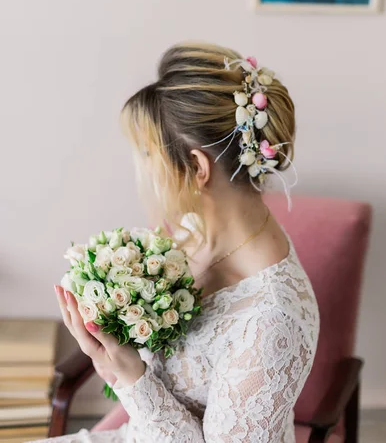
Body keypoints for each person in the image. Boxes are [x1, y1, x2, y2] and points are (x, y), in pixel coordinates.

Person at [47, 42, 319, 443]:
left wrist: (128, 375)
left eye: (146, 153)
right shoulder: (195, 230)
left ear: (196, 167)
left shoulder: (271, 320)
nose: (143, 169)